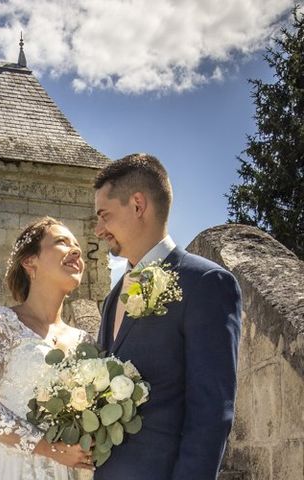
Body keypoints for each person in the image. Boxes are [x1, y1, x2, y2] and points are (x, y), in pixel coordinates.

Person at [93, 153, 242, 480]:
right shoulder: (112, 298)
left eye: (104, 215)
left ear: (137, 205)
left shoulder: (205, 284)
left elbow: (211, 413)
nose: (98, 229)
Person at [0, 217, 95, 479]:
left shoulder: (85, 341)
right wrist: (48, 447)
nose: (76, 251)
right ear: (30, 261)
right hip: (12, 469)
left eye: (77, 245)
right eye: (62, 242)